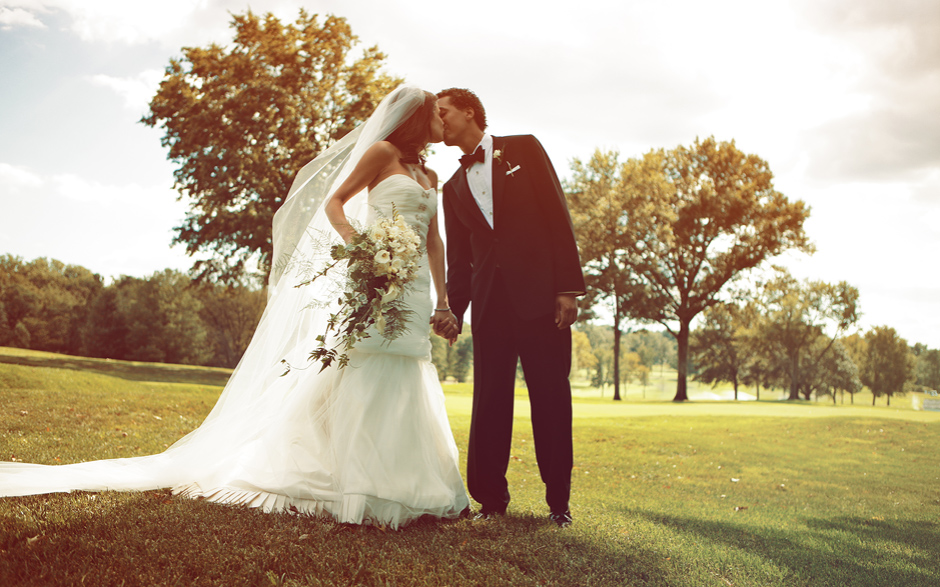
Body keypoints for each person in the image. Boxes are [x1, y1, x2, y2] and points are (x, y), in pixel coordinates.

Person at [0, 86, 470, 530]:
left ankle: (412, 483)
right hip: (371, 276)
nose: (440, 120)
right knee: (365, 364)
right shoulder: (381, 155)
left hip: (413, 289)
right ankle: (353, 478)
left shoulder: (431, 176)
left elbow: (434, 240)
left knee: (408, 368)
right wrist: (360, 248)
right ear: (413, 119)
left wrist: (442, 299)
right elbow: (336, 204)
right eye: (435, 112)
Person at [437, 88, 585, 528]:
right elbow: (460, 259)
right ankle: (490, 500)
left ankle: (559, 503)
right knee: (489, 404)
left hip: (542, 299)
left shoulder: (523, 148)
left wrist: (567, 289)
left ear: (469, 112)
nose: (438, 121)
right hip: (489, 307)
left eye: (443, 113)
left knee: (552, 401)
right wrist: (452, 309)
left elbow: (558, 216)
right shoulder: (452, 187)